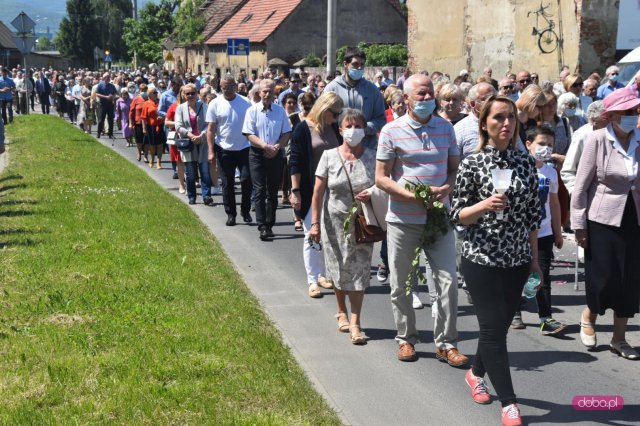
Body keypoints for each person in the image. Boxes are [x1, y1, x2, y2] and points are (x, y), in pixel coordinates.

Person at [450, 95, 541, 426]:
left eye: (511, 117)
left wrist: (534, 260)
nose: (506, 123)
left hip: (517, 260)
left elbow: (533, 215)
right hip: (481, 258)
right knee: (492, 328)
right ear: (485, 123)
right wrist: (484, 206)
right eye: (498, 117)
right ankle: (510, 404)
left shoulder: (524, 162)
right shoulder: (472, 163)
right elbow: (456, 214)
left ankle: (475, 373)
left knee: (497, 329)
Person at [376, 74, 467, 366]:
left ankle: (446, 343)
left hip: (438, 219)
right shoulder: (391, 131)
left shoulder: (446, 129)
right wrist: (412, 196)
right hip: (404, 219)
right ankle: (406, 339)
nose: (427, 99)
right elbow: (381, 178)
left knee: (447, 282)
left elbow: (454, 170)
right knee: (401, 283)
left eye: (430, 94)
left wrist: (447, 188)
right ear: (406, 99)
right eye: (421, 94)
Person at [571, 88, 640, 360]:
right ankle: (590, 314)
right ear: (611, 116)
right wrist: (579, 224)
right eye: (626, 113)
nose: (632, 117)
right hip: (601, 219)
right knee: (603, 277)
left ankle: (619, 339)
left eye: (635, 112)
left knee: (629, 280)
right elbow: (580, 187)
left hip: (633, 218)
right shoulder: (597, 140)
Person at [309, 108, 376, 344]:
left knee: (359, 271)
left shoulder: (373, 157)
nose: (353, 130)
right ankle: (341, 311)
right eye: (349, 126)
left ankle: (356, 322)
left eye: (358, 126)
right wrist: (314, 224)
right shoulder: (329, 156)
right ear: (340, 130)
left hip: (363, 223)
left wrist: (373, 193)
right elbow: (318, 193)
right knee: (337, 269)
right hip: (333, 223)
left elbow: (384, 187)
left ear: (365, 130)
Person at [290, 92, 344, 299]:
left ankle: (322, 274)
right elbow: (295, 161)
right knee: (311, 234)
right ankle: (312, 281)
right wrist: (295, 191)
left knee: (329, 234)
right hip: (310, 189)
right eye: (335, 113)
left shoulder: (333, 128)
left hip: (335, 190)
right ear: (324, 109)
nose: (337, 117)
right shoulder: (303, 129)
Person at [523, 124, 567, 335]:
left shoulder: (550, 172)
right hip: (520, 233)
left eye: (550, 145)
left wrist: (557, 231)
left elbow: (554, 203)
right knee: (517, 273)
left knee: (542, 275)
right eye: (541, 144)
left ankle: (545, 317)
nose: (546, 148)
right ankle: (515, 311)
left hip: (544, 232)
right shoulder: (520, 168)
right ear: (528, 144)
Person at [242, 79, 292, 240]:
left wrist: (276, 147)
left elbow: (286, 133)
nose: (267, 94)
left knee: (272, 191)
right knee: (259, 189)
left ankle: (270, 224)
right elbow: (249, 134)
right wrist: (265, 146)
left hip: (275, 154)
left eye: (270, 91)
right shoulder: (252, 111)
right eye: (264, 91)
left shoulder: (280, 111)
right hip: (257, 154)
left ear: (274, 93)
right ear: (259, 93)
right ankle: (262, 224)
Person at [206, 74, 253, 224]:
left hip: (244, 147)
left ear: (236, 85)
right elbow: (211, 129)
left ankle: (245, 210)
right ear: (221, 87)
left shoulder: (245, 102)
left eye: (231, 86)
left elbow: (252, 125)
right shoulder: (215, 103)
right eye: (225, 87)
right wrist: (211, 150)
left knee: (246, 180)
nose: (228, 90)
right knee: (227, 183)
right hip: (224, 148)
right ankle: (230, 214)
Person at [325, 46, 386, 149]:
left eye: (362, 65)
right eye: (355, 64)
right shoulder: (331, 89)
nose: (359, 68)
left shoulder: (372, 90)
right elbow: (323, 118)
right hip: (339, 148)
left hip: (368, 148)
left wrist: (365, 128)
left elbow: (381, 119)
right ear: (345, 64)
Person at [175, 83, 211, 205]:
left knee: (205, 171)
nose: (190, 95)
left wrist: (201, 135)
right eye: (187, 93)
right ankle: (192, 196)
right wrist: (191, 135)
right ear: (184, 95)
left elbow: (209, 124)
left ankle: (206, 196)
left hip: (202, 142)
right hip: (188, 144)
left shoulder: (204, 106)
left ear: (197, 94)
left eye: (193, 93)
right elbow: (178, 126)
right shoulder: (180, 108)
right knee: (190, 173)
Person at [560, 101, 607, 195]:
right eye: (605, 118)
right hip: (587, 194)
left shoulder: (613, 134)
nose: (609, 121)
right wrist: (575, 192)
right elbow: (568, 170)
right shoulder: (582, 136)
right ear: (594, 120)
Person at [455, 82, 496, 159]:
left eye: (495, 98)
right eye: (486, 99)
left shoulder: (506, 124)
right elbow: (452, 164)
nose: (493, 103)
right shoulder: (459, 130)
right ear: (473, 104)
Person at [164, 88, 186, 194]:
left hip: (191, 136)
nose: (187, 95)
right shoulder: (173, 106)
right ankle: (181, 184)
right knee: (179, 161)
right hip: (178, 137)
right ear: (180, 94)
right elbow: (167, 122)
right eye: (185, 92)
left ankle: (191, 182)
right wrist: (177, 124)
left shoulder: (195, 106)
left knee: (191, 162)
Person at [140, 87, 166, 169]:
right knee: (152, 145)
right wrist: (144, 128)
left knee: (160, 145)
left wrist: (163, 118)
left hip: (160, 125)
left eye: (156, 92)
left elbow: (165, 113)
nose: (156, 94)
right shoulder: (146, 103)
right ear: (150, 94)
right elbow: (143, 117)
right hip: (150, 126)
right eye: (154, 93)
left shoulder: (160, 102)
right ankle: (152, 159)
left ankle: (159, 162)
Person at [129, 83, 148, 162]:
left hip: (148, 123)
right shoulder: (136, 99)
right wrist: (131, 123)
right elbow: (131, 112)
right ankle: (139, 152)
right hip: (138, 123)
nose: (143, 91)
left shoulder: (148, 99)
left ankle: (146, 155)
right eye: (142, 90)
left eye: (145, 90)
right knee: (139, 140)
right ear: (139, 90)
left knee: (146, 141)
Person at [96, 73, 117, 139]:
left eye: (109, 77)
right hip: (102, 104)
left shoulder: (112, 86)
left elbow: (115, 93)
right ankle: (98, 133)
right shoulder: (100, 85)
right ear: (104, 78)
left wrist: (112, 97)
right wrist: (105, 97)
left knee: (110, 119)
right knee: (101, 119)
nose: (108, 78)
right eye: (107, 77)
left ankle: (110, 134)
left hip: (110, 104)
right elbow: (97, 94)